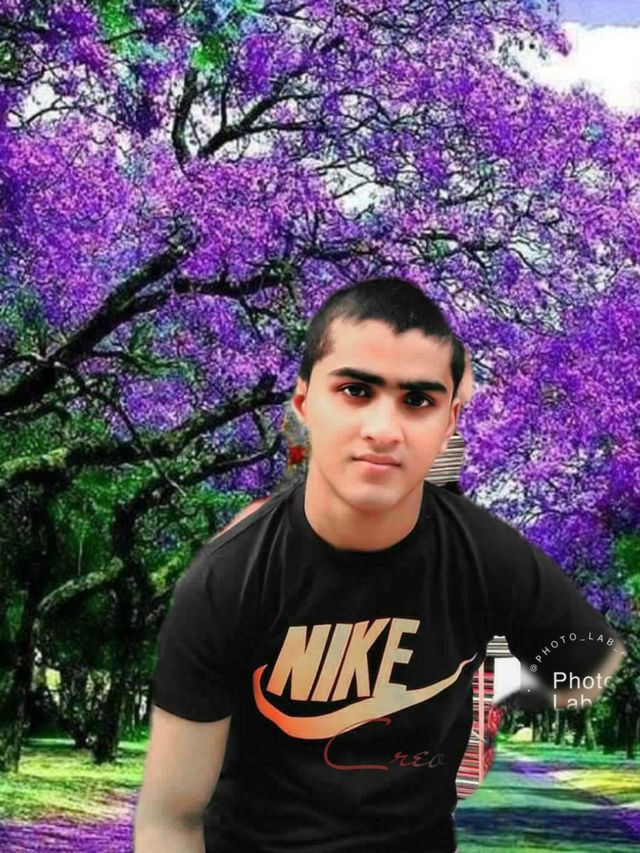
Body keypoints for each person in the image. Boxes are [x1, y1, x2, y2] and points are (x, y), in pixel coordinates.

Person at [134, 276, 625, 853]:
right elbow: (170, 819)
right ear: (304, 404)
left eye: (417, 401)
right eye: (356, 391)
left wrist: (494, 691)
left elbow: (594, 658)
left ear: (448, 422)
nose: (384, 430)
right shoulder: (230, 577)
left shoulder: (484, 556)